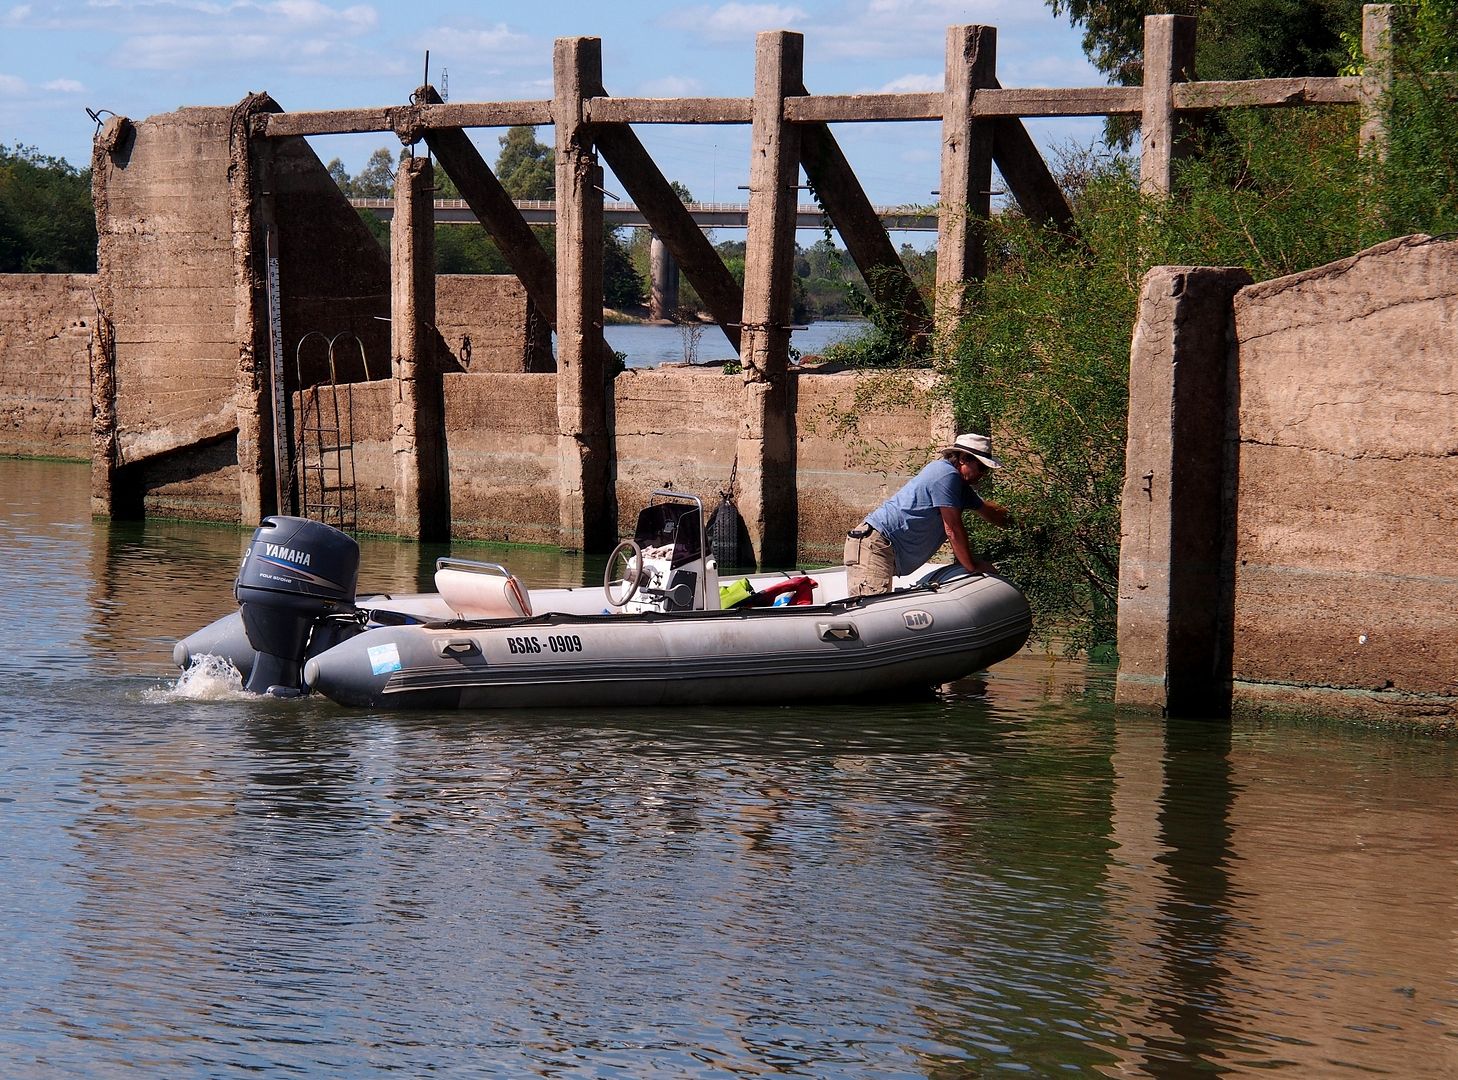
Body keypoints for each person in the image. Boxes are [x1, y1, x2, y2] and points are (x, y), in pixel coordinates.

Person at [843, 432, 1011, 598]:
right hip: (875, 545)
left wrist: (1023, 527)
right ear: (963, 459)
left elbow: (991, 512)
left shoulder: (959, 487)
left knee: (879, 610)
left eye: (986, 470)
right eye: (981, 467)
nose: (983, 474)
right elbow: (952, 529)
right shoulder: (946, 476)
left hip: (882, 547)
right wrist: (972, 566)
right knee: (873, 612)